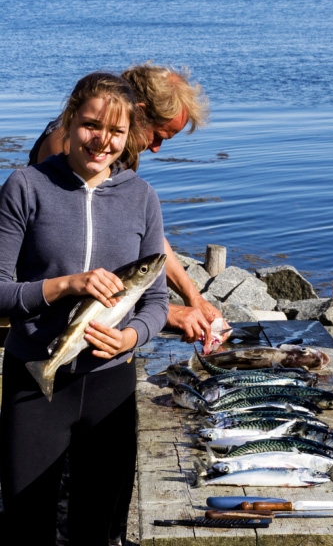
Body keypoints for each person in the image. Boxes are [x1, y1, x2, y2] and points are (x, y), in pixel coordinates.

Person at [0, 72, 169, 546]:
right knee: (27, 537)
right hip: (35, 378)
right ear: (71, 120)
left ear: (130, 137)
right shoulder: (26, 186)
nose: (102, 140)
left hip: (109, 387)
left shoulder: (142, 197)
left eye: (116, 132)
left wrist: (131, 336)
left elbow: (155, 299)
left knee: (95, 538)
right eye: (92, 125)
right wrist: (65, 286)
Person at [29, 62, 223, 345]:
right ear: (140, 112)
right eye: (158, 136)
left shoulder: (123, 152)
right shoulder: (73, 147)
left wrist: (194, 297)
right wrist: (167, 311)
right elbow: (76, 252)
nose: (156, 148)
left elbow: (144, 232)